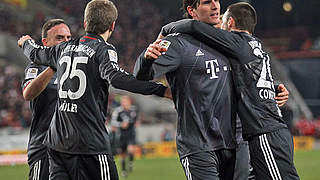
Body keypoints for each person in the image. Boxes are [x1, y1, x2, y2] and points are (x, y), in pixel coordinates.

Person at [18, 0, 170, 179]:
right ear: (112, 26)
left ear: (85, 23)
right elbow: (117, 78)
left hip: (58, 145)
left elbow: (35, 53)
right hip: (90, 144)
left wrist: (26, 42)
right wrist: (161, 90)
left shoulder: (63, 48)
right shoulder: (103, 50)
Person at [161, 2, 300, 180]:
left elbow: (193, 25)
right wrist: (275, 90)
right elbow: (251, 82)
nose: (220, 23)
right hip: (265, 132)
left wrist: (167, 28)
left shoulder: (237, 42)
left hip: (265, 133)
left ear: (231, 23)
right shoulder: (256, 46)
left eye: (223, 20)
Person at [134, 0, 238, 179]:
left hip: (232, 142)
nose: (215, 6)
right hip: (198, 145)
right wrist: (146, 59)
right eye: (207, 2)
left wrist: (272, 89)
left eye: (217, 1)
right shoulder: (177, 44)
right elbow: (141, 74)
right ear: (192, 10)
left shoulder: (227, 39)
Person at [22, 19, 71, 180]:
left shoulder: (73, 67)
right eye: (60, 38)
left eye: (68, 38)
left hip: (71, 149)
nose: (65, 42)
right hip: (44, 147)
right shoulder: (36, 66)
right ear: (45, 42)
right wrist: (53, 66)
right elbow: (28, 93)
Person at [110, 95, 139, 177]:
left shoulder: (134, 110)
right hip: (122, 135)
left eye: (126, 101)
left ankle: (130, 163)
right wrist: (121, 124)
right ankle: (123, 171)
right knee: (122, 154)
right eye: (123, 101)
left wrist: (136, 123)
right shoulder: (118, 111)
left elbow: (136, 119)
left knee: (131, 150)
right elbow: (113, 122)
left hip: (131, 134)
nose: (124, 103)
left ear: (129, 102)